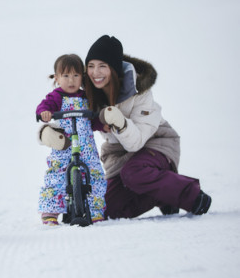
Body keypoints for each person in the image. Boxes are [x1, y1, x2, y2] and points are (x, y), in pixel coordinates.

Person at [84, 35, 212, 219]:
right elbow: (66, 109)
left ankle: (191, 195)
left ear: (114, 68)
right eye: (91, 66)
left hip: (156, 145)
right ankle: (164, 195)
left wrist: (120, 123)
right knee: (105, 209)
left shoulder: (139, 92)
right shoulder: (89, 92)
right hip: (121, 156)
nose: (96, 72)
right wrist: (48, 131)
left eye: (102, 65)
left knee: (133, 173)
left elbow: (135, 143)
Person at [36, 54, 107, 225]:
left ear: (82, 77)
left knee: (95, 174)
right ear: (57, 78)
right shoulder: (56, 96)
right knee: (57, 175)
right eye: (66, 76)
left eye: (76, 75)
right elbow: (44, 106)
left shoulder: (85, 97)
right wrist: (44, 113)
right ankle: (50, 210)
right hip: (64, 145)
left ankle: (95, 209)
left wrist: (101, 124)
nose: (71, 80)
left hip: (87, 147)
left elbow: (94, 118)